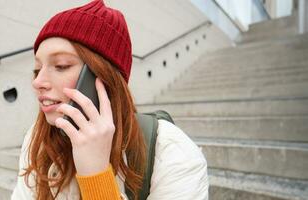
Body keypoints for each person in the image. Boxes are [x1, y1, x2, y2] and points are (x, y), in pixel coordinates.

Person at [11, 1, 208, 199]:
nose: (37, 82)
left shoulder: (173, 153)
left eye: (61, 65)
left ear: (103, 78)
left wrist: (96, 175)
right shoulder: (36, 138)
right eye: (37, 69)